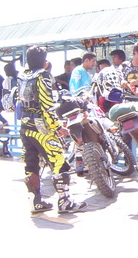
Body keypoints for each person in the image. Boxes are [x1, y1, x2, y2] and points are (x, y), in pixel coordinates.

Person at [11, 45, 87, 214]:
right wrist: (57, 127)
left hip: (25, 126)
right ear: (45, 62)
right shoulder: (43, 76)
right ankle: (65, 201)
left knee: (31, 165)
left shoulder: (22, 76)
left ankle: (35, 202)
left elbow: (16, 101)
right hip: (41, 128)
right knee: (59, 162)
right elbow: (47, 105)